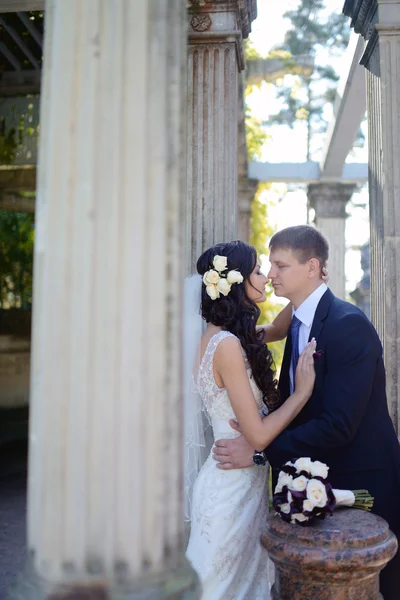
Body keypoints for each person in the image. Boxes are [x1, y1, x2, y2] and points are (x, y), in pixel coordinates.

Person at [213, 225, 400, 600]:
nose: (272, 274)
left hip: (363, 487)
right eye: (269, 265)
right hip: (317, 487)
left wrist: (258, 451)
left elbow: (339, 425)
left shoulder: (349, 327)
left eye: (281, 265)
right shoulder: (297, 320)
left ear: (313, 267)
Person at [184, 240, 317, 600]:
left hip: (244, 486)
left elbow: (278, 327)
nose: (267, 276)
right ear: (237, 281)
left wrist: (309, 281)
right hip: (229, 491)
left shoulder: (227, 338)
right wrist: (302, 392)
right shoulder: (225, 346)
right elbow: (257, 436)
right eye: (259, 270)